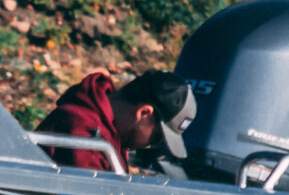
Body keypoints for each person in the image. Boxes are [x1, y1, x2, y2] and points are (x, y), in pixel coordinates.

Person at [36, 69, 193, 174]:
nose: (152, 145)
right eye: (156, 137)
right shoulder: (83, 132)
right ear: (143, 113)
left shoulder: (115, 133)